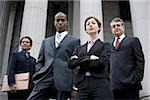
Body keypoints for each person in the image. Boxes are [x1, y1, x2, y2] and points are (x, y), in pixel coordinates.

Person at [27, 12, 80, 100]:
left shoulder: (74, 41)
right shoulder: (46, 41)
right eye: (57, 20)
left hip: (64, 79)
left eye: (62, 20)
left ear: (67, 23)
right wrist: (38, 73)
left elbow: (75, 64)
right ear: (54, 23)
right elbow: (40, 61)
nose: (60, 22)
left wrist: (74, 84)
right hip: (45, 77)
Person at [68, 16, 113, 100]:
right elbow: (71, 63)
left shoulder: (105, 46)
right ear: (85, 29)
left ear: (99, 27)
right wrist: (89, 58)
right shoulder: (79, 48)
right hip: (82, 85)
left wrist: (80, 63)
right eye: (88, 24)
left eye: (93, 23)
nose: (90, 25)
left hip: (100, 83)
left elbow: (101, 63)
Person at [109, 17, 145, 100]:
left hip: (131, 84)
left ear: (123, 27)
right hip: (115, 86)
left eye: (118, 25)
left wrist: (137, 78)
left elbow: (140, 60)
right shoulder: (110, 45)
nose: (116, 27)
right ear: (111, 30)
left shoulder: (133, 40)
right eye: (114, 26)